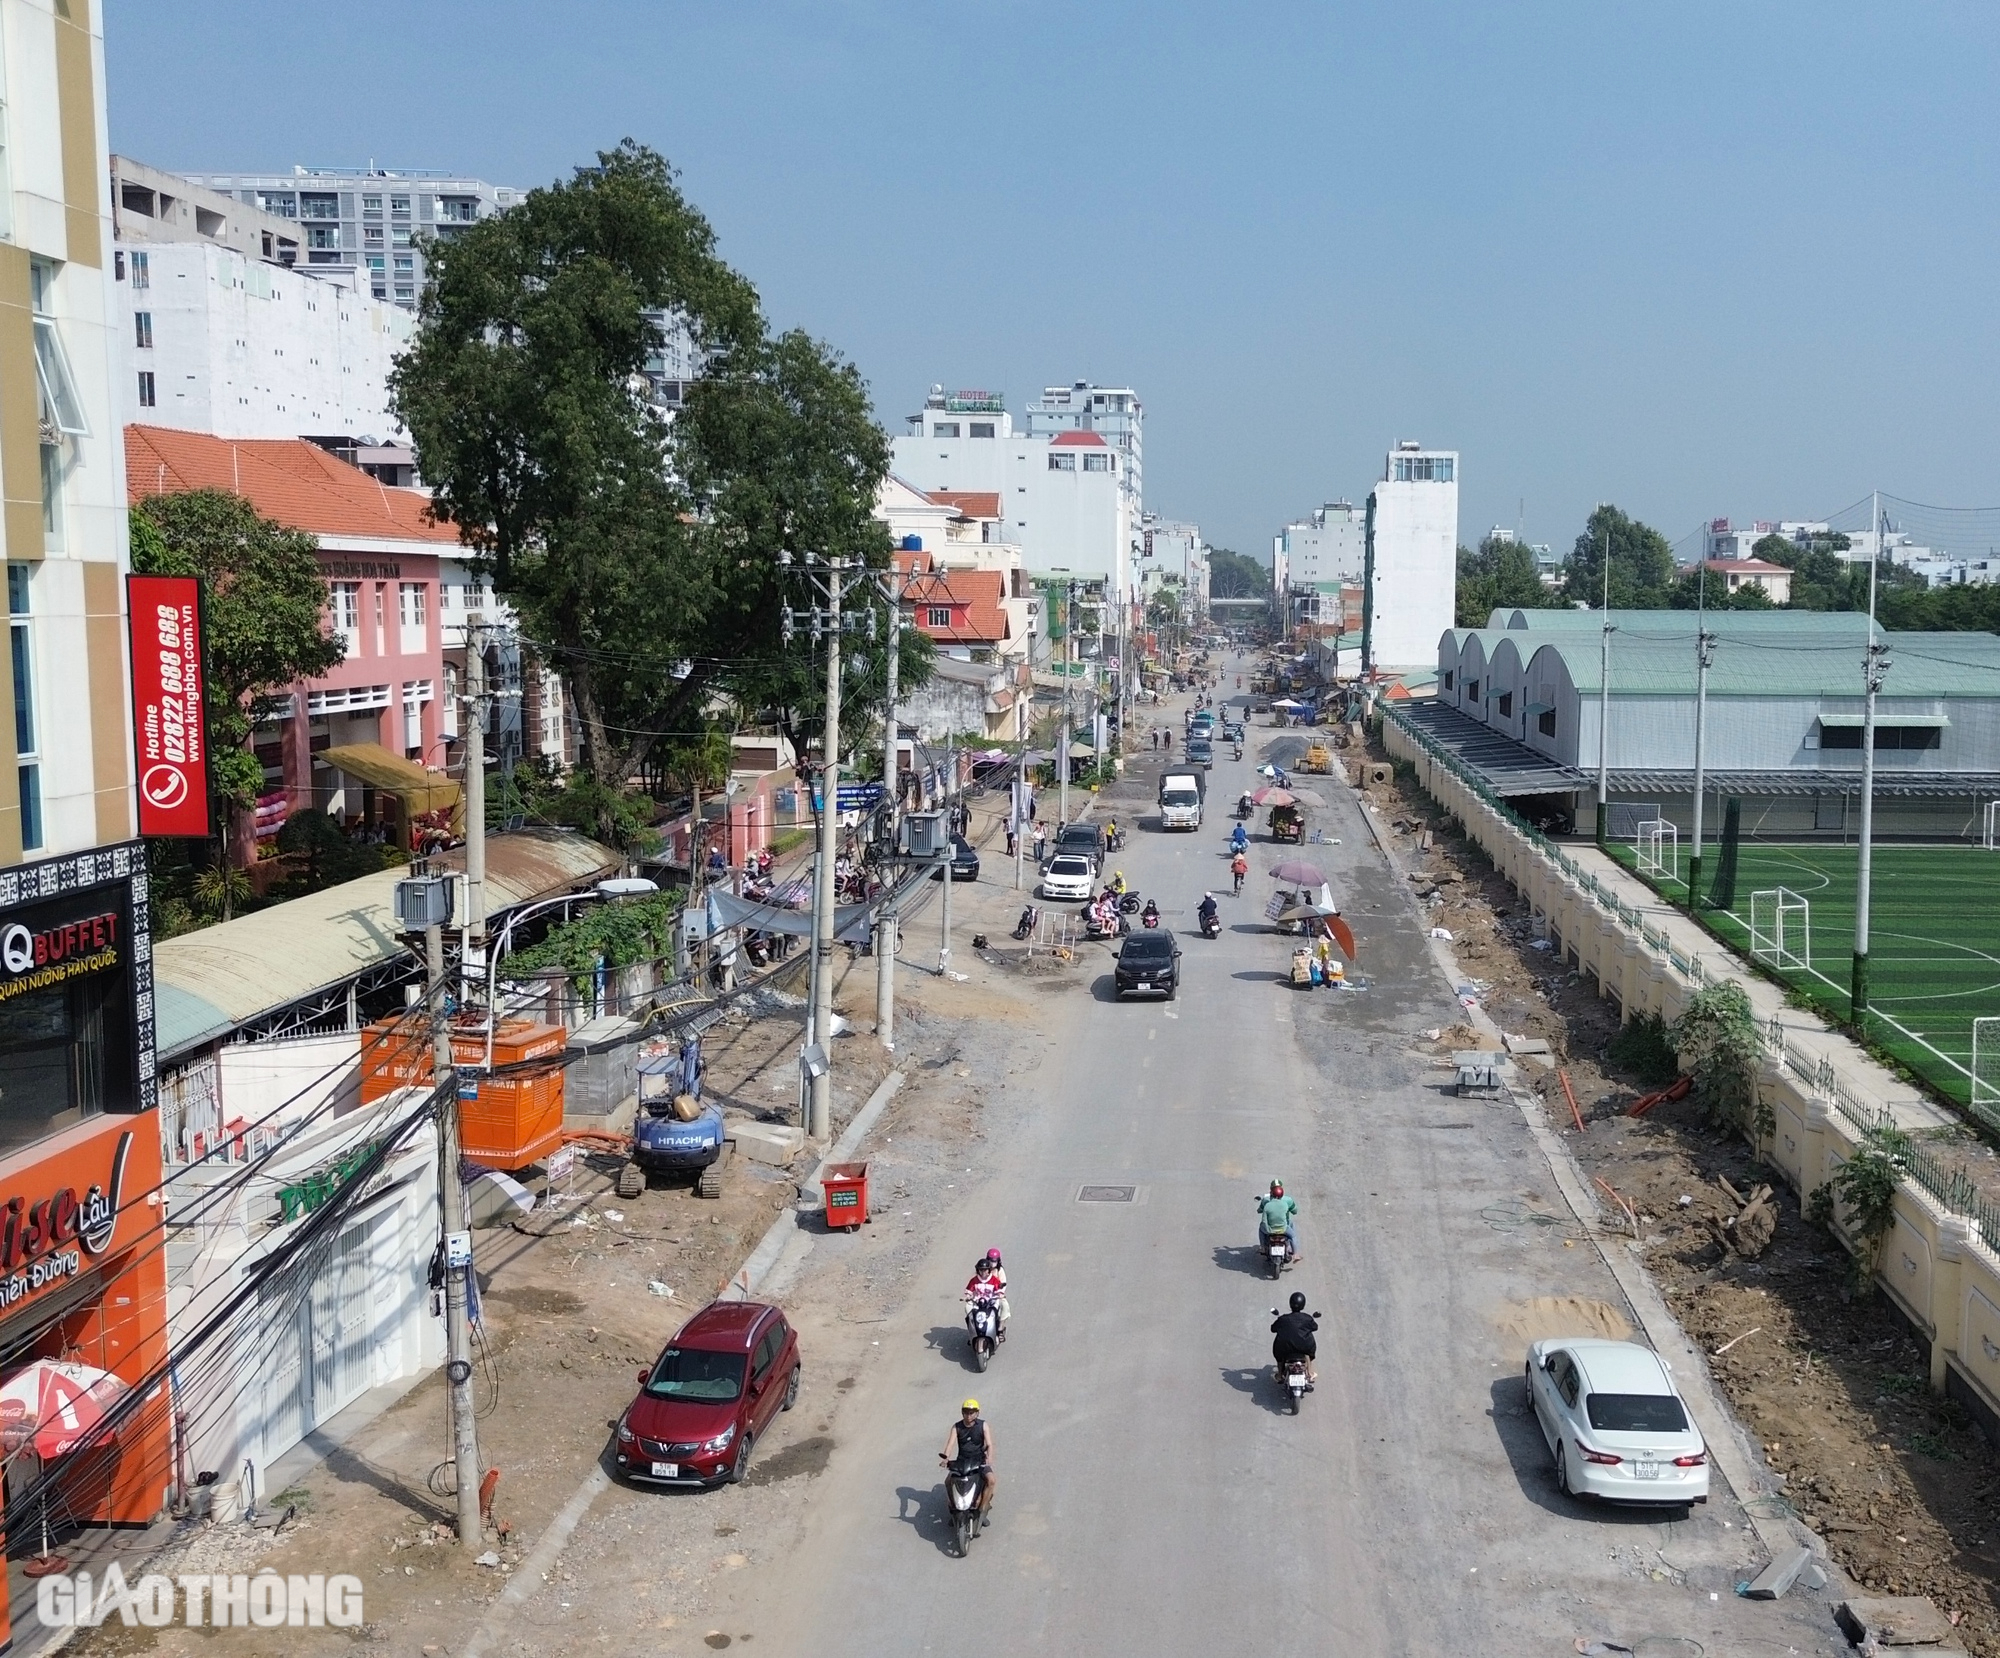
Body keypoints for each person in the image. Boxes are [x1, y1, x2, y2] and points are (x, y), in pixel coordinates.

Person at [940, 1400, 996, 1523]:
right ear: (962, 1413)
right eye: (966, 1412)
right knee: (948, 1482)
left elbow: (989, 1444)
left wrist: (989, 1457)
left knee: (991, 1480)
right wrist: (946, 1458)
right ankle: (954, 1510)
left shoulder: (983, 1425)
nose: (968, 1415)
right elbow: (950, 1444)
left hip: (979, 1461)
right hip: (962, 1461)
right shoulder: (957, 1427)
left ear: (977, 1413)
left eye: (972, 1413)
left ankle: (983, 1509)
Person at [1271, 1291, 1319, 1389]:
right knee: (1308, 1354)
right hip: (1305, 1347)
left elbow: (1273, 1329)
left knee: (1279, 1357)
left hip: (1284, 1348)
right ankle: (1310, 1373)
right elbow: (1315, 1327)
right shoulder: (1307, 1318)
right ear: (1303, 1305)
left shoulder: (1283, 1319)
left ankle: (1280, 1375)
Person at [966, 1249, 1009, 1335]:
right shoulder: (982, 1269)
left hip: (994, 1296)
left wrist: (1000, 1294)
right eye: (982, 1270)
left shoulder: (999, 1271)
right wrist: (969, 1296)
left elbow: (1002, 1284)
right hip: (980, 1297)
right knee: (968, 1308)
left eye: (994, 1261)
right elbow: (974, 1284)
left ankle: (1000, 1327)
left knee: (1005, 1305)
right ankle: (972, 1329)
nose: (984, 1272)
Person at [1258, 1179, 1299, 1264]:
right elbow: (1295, 1211)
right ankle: (1295, 1254)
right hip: (1283, 1228)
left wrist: (1267, 1228)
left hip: (1270, 1229)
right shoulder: (1287, 1202)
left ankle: (1262, 1247)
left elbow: (1263, 1219)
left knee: (1261, 1228)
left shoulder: (1266, 1202)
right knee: (1293, 1235)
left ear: (1271, 1191)